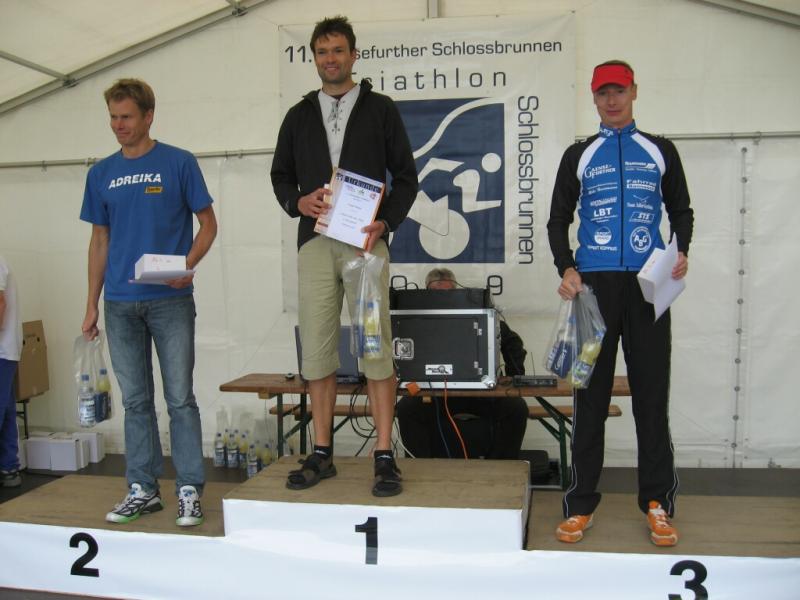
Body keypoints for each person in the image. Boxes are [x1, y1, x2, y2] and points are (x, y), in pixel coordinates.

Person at [547, 60, 694, 546]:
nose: (612, 100)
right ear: (593, 97)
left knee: (652, 397)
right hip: (594, 290)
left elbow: (681, 210)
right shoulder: (579, 154)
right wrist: (567, 268)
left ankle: (657, 503)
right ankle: (580, 505)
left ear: (634, 92)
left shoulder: (660, 150)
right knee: (589, 400)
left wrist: (680, 251)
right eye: (603, 92)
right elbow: (557, 219)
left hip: (649, 288)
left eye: (620, 91)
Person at [271, 15, 418, 497]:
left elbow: (407, 177)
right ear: (313, 58)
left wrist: (386, 222)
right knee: (316, 349)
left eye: (338, 50)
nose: (330, 59)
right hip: (315, 244)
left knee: (375, 346)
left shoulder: (380, 109)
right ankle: (321, 451)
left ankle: (384, 453)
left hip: (365, 244)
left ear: (354, 55)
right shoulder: (298, 115)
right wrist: (298, 201)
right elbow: (280, 175)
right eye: (322, 52)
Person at [80, 78, 217, 527]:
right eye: (113, 117)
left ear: (148, 116)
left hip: (170, 300)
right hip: (120, 303)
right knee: (136, 401)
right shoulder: (100, 173)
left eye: (126, 117)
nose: (118, 125)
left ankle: (189, 490)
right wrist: (91, 303)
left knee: (179, 399)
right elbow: (99, 240)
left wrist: (187, 265)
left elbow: (208, 225)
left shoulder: (178, 162)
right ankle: (142, 488)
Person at [396, 268, 529, 460]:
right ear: (426, 293)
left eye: (448, 293)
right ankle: (422, 467)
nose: (442, 299)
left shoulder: (479, 315)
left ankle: (500, 466)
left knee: (516, 408)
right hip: (433, 395)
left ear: (456, 292)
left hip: (481, 394)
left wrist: (514, 376)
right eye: (436, 294)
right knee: (406, 409)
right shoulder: (415, 320)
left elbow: (513, 344)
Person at [0, 255, 23, 488]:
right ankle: (9, 467)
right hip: (6, 349)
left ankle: (9, 466)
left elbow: (0, 304)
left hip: (2, 350)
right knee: (6, 408)